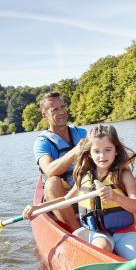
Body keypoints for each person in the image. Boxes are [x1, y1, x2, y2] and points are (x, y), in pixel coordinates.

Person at [25, 124, 136, 260]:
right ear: (89, 153)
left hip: (125, 232)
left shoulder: (124, 175)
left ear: (116, 150)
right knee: (102, 248)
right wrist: (37, 208)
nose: (102, 156)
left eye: (108, 150)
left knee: (134, 262)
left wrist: (115, 197)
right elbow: (65, 201)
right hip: (98, 233)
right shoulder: (84, 176)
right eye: (96, 151)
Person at [33, 92, 87, 231]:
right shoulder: (42, 143)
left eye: (62, 107)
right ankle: (78, 233)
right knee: (52, 183)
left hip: (83, 188)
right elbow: (49, 170)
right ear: (45, 115)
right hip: (62, 197)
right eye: (55, 109)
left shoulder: (81, 133)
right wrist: (75, 151)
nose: (62, 112)